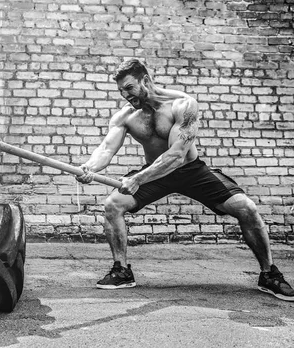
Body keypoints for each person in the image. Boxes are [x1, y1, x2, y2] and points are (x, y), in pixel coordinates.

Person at [76, 58, 294, 301]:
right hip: (154, 174)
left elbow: (177, 155)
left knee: (246, 208)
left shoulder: (183, 104)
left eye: (129, 88)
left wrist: (138, 178)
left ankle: (269, 274)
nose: (125, 95)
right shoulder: (126, 116)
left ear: (145, 80)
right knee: (112, 205)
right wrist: (89, 167)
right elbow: (106, 149)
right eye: (121, 91)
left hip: (190, 171)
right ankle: (122, 270)